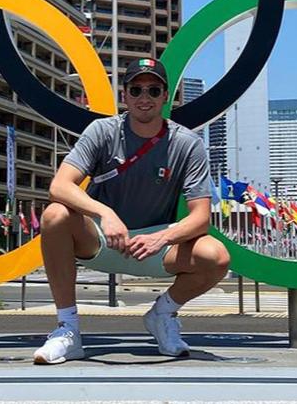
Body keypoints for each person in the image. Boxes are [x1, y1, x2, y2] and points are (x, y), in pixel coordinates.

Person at [34, 58, 230, 365]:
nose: (144, 98)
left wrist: (161, 238)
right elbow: (60, 186)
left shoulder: (188, 144)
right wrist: (105, 214)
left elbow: (201, 217)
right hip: (99, 239)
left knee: (215, 255)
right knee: (55, 215)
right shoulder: (102, 131)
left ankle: (162, 314)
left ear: (166, 96)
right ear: (124, 95)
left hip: (154, 248)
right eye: (136, 89)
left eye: (154, 90)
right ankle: (67, 330)